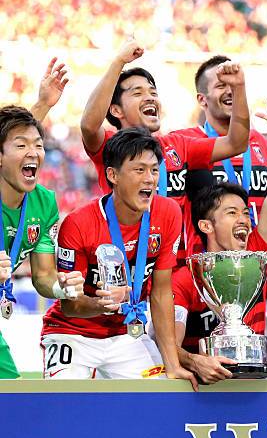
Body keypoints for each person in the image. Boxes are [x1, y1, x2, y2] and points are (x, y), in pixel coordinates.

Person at [41, 128, 196, 388]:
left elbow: (160, 293)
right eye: (139, 170)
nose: (150, 179)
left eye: (154, 170)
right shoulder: (78, 224)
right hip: (73, 332)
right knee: (62, 406)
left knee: (162, 397)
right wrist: (100, 304)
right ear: (112, 175)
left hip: (127, 333)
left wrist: (172, 364)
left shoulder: (168, 213)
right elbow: (69, 306)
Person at [79, 39, 250, 262]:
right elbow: (89, 125)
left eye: (153, 92)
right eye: (137, 93)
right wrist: (119, 62)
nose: (150, 97)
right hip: (125, 267)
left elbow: (236, 143)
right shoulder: (110, 146)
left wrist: (238, 89)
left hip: (173, 270)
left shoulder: (178, 145)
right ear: (116, 110)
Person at [175, 79, 267, 382]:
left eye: (245, 212)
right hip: (199, 386)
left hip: (254, 378)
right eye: (231, 213)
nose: (244, 219)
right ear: (205, 225)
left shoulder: (256, 250)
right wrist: (194, 362)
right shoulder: (187, 274)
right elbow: (166, 343)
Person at [0, 106, 84, 380]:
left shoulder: (44, 202)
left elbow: (44, 275)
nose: (33, 152)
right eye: (21, 144)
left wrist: (63, 288)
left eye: (38, 145)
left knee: (12, 401)